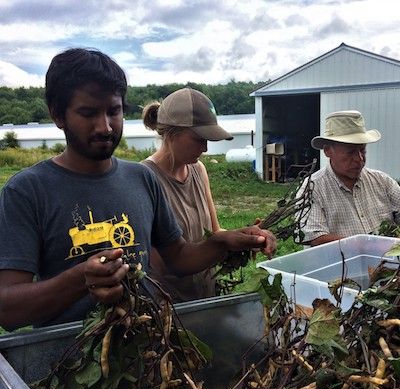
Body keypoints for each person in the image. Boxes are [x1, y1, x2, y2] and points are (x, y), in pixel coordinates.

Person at [0, 48, 276, 331]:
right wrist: (81, 279)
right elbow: (7, 310)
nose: (105, 127)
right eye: (88, 113)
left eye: (113, 111)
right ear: (58, 115)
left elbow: (179, 257)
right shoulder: (26, 192)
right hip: (69, 364)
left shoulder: (141, 179)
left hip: (151, 352)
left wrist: (224, 242)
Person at [141, 87, 232, 302]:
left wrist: (246, 237)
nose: (206, 148)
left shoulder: (198, 170)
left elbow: (215, 232)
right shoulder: (145, 178)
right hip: (172, 309)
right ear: (172, 133)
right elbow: (155, 268)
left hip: (205, 298)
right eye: (200, 139)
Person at [299, 110, 400, 246]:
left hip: (388, 264)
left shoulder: (382, 181)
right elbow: (315, 238)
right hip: (341, 264)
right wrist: (367, 245)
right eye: (350, 152)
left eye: (362, 150)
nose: (359, 159)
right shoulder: (312, 188)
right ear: (328, 151)